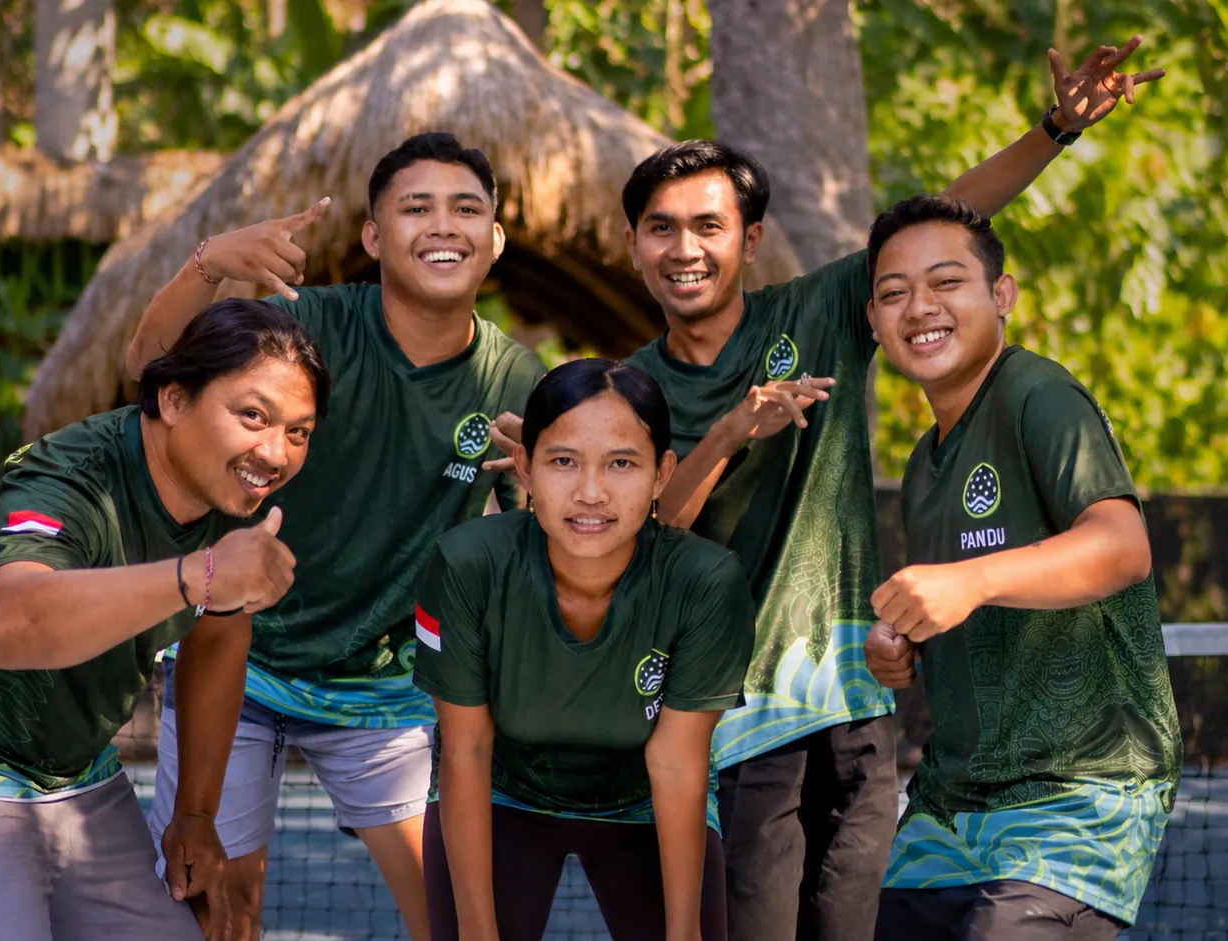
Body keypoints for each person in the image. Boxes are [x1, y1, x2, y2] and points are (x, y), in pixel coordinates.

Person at [480, 33, 1166, 941]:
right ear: (635, 247)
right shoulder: (626, 392)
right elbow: (640, 538)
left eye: (708, 226)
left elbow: (940, 228)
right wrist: (728, 432)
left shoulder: (817, 311)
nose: (685, 248)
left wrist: (1053, 131)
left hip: (856, 714)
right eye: (661, 229)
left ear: (748, 239)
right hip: (737, 719)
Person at [127, 132, 545, 940]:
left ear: (493, 239)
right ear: (373, 237)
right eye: (414, 207)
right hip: (234, 662)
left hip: (385, 690)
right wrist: (209, 263)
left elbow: (540, 559)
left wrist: (537, 488)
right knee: (220, 911)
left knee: (458, 917)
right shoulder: (305, 329)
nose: (442, 225)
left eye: (466, 209)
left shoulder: (517, 381)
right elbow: (152, 368)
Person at [0, 298, 329, 941]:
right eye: (253, 416)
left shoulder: (230, 495)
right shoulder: (63, 479)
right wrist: (200, 574)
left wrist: (197, 814)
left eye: (299, 431)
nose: (275, 452)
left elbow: (218, 633)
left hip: (72, 765)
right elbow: (8, 625)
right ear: (175, 401)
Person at [861, 194, 1182, 939]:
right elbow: (973, 597)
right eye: (892, 292)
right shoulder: (921, 462)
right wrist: (903, 641)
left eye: (945, 282)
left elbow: (1121, 547)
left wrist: (966, 580)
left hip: (1080, 789)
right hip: (954, 799)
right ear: (875, 322)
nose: (919, 307)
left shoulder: (1039, 394)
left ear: (1000, 295)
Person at [414, 359, 757, 941]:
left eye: (622, 463)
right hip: (502, 790)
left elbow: (676, 762)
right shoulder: (465, 565)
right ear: (524, 466)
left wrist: (684, 933)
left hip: (644, 800)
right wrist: (476, 928)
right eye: (563, 461)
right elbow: (466, 748)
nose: (591, 493)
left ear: (660, 474)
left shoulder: (706, 582)